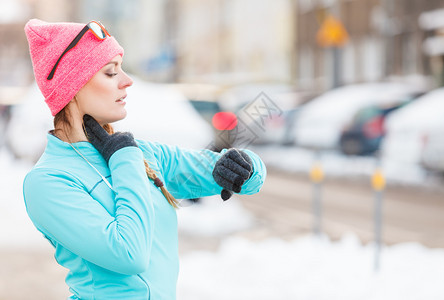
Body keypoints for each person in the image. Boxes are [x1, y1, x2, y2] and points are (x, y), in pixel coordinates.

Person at [22, 19, 266, 300]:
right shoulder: (48, 182)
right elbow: (129, 254)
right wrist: (123, 158)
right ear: (73, 87)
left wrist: (245, 168)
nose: (127, 81)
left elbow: (227, 171)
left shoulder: (143, 153)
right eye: (111, 73)